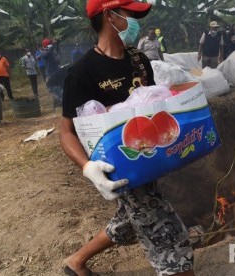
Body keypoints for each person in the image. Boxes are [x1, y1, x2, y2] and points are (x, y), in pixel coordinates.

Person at [60, 1, 194, 276]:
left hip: (149, 159)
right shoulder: (83, 72)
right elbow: (66, 131)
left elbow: (153, 106)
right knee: (167, 235)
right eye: (130, 14)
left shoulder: (138, 60)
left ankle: (76, 262)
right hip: (121, 169)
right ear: (110, 16)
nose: (135, 22)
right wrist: (88, 168)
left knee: (131, 219)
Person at [40, 38, 62, 106]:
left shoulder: (52, 52)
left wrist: (57, 44)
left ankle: (59, 103)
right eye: (50, 43)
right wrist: (54, 44)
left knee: (59, 88)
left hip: (57, 72)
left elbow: (57, 53)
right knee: (54, 90)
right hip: (50, 74)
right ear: (47, 45)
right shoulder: (44, 53)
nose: (51, 45)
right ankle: (57, 103)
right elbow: (48, 53)